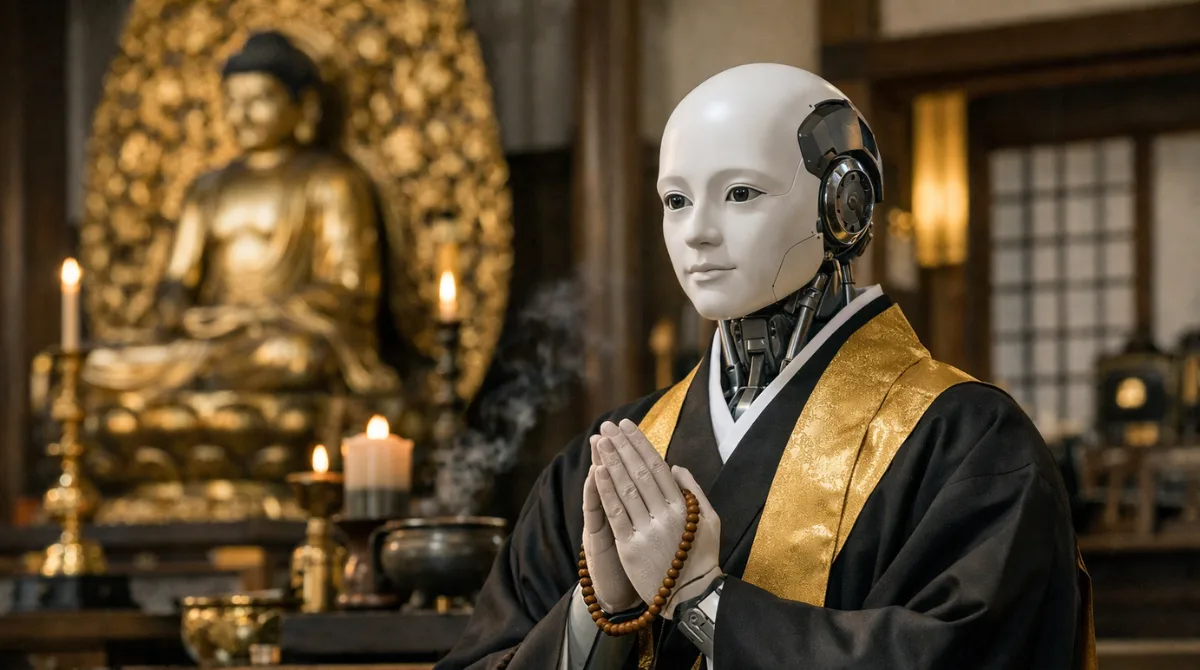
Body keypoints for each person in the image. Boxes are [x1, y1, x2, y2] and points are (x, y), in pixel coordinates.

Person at [436, 63, 1095, 670]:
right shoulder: (616, 456)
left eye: (740, 192)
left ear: (846, 205)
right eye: (675, 200)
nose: (696, 231)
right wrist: (598, 609)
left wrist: (702, 598)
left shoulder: (964, 442)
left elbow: (972, 653)